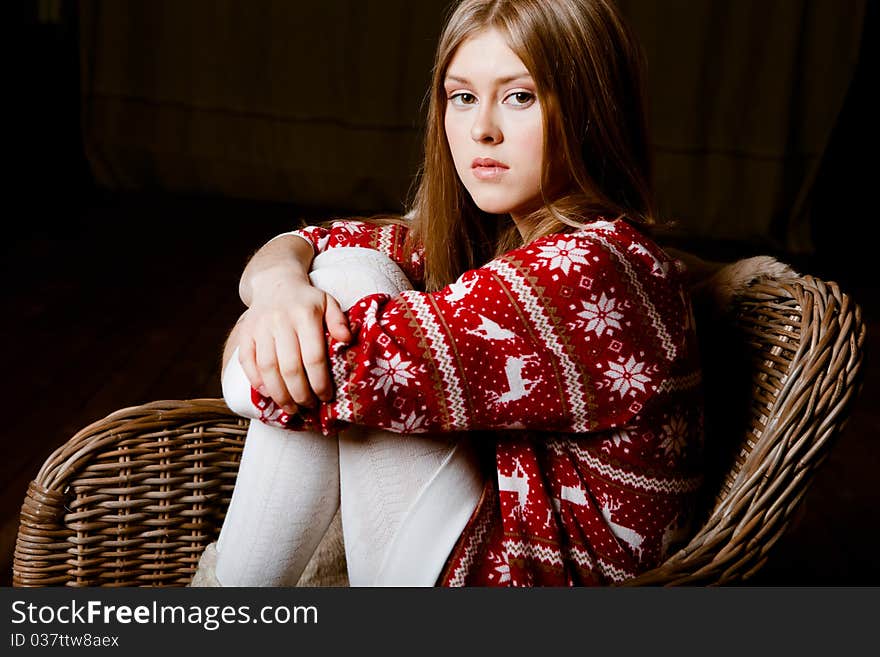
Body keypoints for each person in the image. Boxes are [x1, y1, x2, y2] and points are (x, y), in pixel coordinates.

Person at [192, 0, 704, 587]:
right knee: (341, 271)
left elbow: (266, 382)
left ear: (592, 108)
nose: (482, 128)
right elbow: (303, 242)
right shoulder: (500, 233)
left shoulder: (593, 268)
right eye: (462, 97)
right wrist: (281, 293)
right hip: (493, 543)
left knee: (343, 282)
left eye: (520, 96)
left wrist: (265, 326)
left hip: (525, 586)